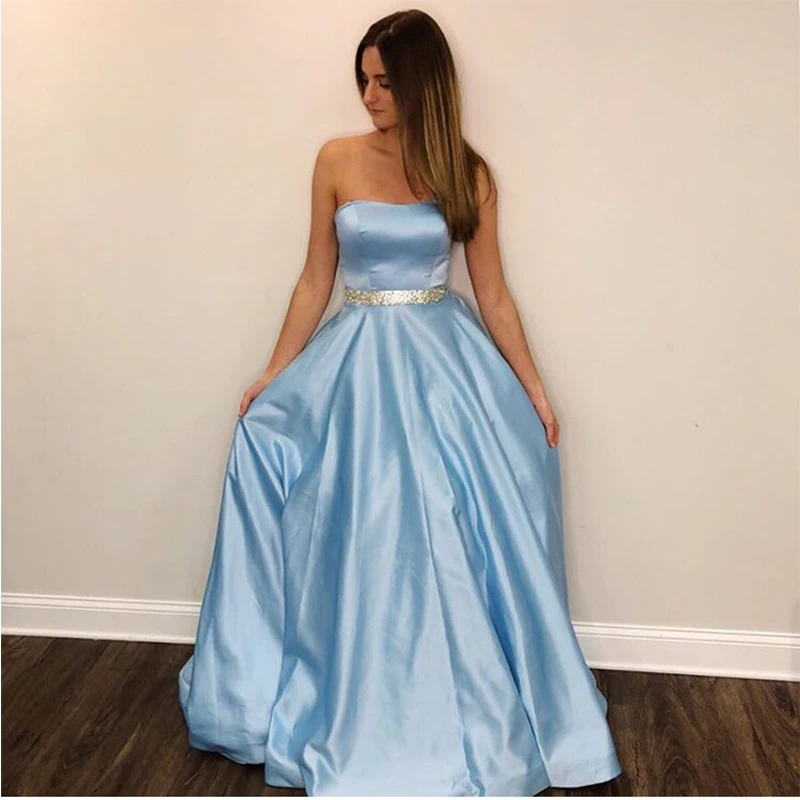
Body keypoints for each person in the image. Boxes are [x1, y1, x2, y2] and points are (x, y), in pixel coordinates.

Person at [178, 8, 623, 796]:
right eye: (364, 80)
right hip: (355, 363)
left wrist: (534, 388)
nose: (370, 95)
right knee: (332, 495)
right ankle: (335, 686)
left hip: (442, 363)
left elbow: (493, 295)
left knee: (454, 518)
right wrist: (273, 372)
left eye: (384, 81)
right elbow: (315, 279)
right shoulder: (335, 159)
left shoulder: (467, 173)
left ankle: (452, 698)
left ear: (423, 82)